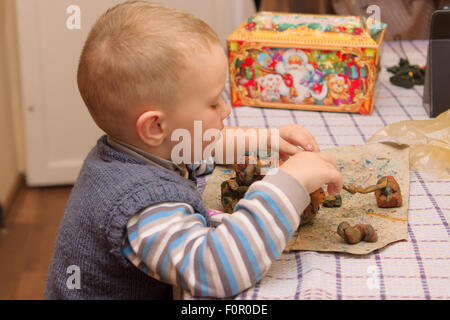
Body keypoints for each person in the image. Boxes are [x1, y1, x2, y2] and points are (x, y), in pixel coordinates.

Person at [44, 1, 343, 299]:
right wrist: (290, 183)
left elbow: (205, 148)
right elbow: (217, 271)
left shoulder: (143, 150)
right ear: (155, 127)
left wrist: (268, 138)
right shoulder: (141, 208)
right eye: (214, 103)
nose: (225, 109)